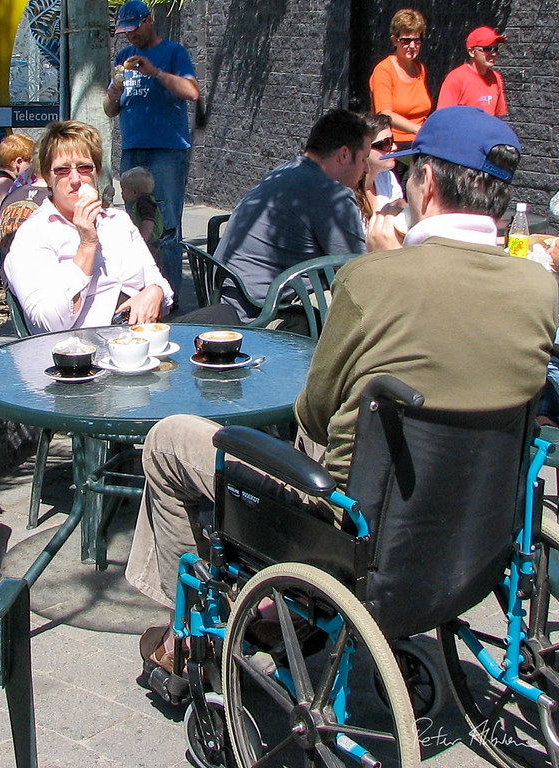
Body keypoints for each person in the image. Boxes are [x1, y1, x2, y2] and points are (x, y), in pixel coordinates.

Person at [127, 106, 558, 674]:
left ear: (425, 184)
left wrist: (385, 264)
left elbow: (315, 409)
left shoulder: (372, 278)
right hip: (475, 521)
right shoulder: (539, 287)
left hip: (351, 522)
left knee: (169, 440)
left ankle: (192, 632)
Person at [4, 120, 173, 334]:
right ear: (47, 177)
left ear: (96, 172)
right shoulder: (34, 234)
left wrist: (154, 292)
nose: (75, 179)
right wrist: (87, 244)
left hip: (140, 341)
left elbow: (158, 282)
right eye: (62, 170)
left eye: (84, 167)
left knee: (220, 317)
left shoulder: (117, 221)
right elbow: (48, 324)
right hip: (81, 353)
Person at [215, 109, 371, 322]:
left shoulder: (285, 171)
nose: (367, 168)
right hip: (265, 314)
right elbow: (356, 272)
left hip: (231, 299)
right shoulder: (332, 195)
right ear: (344, 154)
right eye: (364, 159)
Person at [103, 0, 199, 307]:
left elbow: (192, 92)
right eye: (124, 32)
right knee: (133, 224)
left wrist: (155, 72)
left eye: (133, 30)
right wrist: (112, 95)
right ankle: (138, 294)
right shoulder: (123, 56)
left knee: (165, 225)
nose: (129, 37)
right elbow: (110, 110)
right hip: (133, 148)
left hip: (167, 151)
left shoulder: (173, 52)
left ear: (149, 20)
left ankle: (169, 301)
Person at [369, 8, 432, 150]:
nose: (412, 46)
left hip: (420, 143)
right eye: (406, 40)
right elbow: (384, 114)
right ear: (395, 40)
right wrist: (417, 129)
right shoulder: (384, 69)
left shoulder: (420, 69)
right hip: (393, 145)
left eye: (417, 40)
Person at [437, 26, 508, 116]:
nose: (493, 53)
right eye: (487, 49)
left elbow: (497, 117)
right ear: (471, 52)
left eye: (496, 49)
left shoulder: (496, 78)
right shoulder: (456, 78)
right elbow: (443, 117)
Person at [355, 112, 404, 230]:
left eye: (393, 140)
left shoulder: (389, 178)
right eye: (386, 143)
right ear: (365, 148)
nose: (394, 147)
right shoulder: (346, 189)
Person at [120, 166, 164, 268]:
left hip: (150, 242)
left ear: (135, 192)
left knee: (149, 264)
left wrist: (142, 239)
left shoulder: (144, 201)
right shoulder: (143, 200)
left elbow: (148, 220)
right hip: (151, 241)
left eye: (123, 190)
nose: (121, 193)